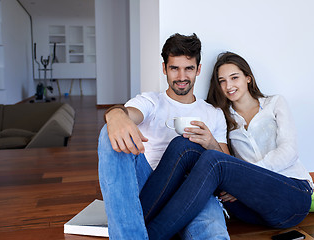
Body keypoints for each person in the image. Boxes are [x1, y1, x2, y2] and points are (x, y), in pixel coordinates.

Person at [139, 52, 314, 240]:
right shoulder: (222, 116)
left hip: (292, 196)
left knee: (214, 161)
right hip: (250, 207)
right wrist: (239, 182)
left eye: (234, 78)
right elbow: (228, 163)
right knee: (184, 144)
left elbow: (289, 152)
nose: (228, 86)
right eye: (222, 81)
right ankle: (136, 221)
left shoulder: (275, 103)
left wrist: (246, 178)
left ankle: (149, 235)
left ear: (248, 78)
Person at [98, 33, 231, 240]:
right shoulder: (151, 101)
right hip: (149, 184)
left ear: (198, 70)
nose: (181, 76)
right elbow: (129, 113)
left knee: (213, 235)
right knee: (109, 134)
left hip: (194, 189)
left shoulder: (213, 113)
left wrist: (211, 143)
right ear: (164, 69)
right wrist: (115, 115)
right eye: (174, 68)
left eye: (188, 68)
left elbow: (227, 166)